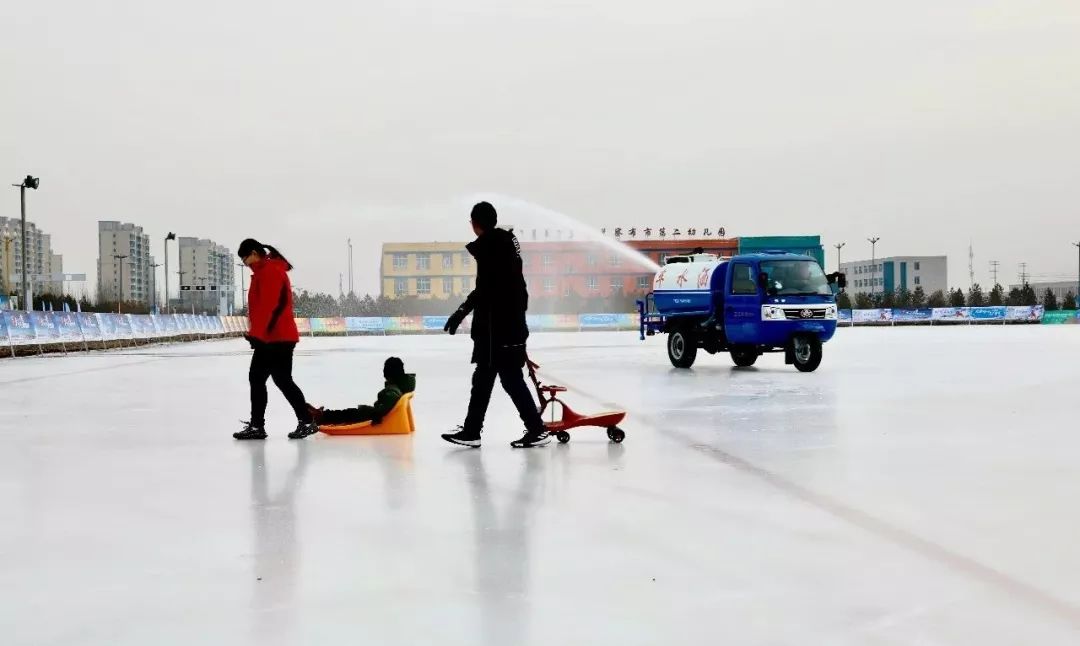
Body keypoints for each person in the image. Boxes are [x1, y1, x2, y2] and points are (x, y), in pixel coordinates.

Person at [441, 202, 549, 448]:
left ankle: (535, 428)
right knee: (484, 380)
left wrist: (461, 311)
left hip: (498, 332)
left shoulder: (493, 248)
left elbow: (485, 291)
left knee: (508, 379)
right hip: (505, 328)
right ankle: (472, 431)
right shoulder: (504, 246)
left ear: (475, 224)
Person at [233, 239, 318, 441]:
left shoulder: (269, 271)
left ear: (253, 253)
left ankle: (259, 426)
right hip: (276, 335)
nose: (245, 264)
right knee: (280, 379)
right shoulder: (267, 269)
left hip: (275, 337)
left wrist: (258, 335)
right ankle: (303, 421)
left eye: (245, 259)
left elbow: (269, 307)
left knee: (261, 378)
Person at [307, 357, 416, 426]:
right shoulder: (400, 387)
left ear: (388, 374)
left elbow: (380, 412)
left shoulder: (391, 390)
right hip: (372, 413)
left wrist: (371, 412)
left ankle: (321, 417)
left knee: (347, 414)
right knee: (348, 412)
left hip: (370, 416)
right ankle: (323, 414)